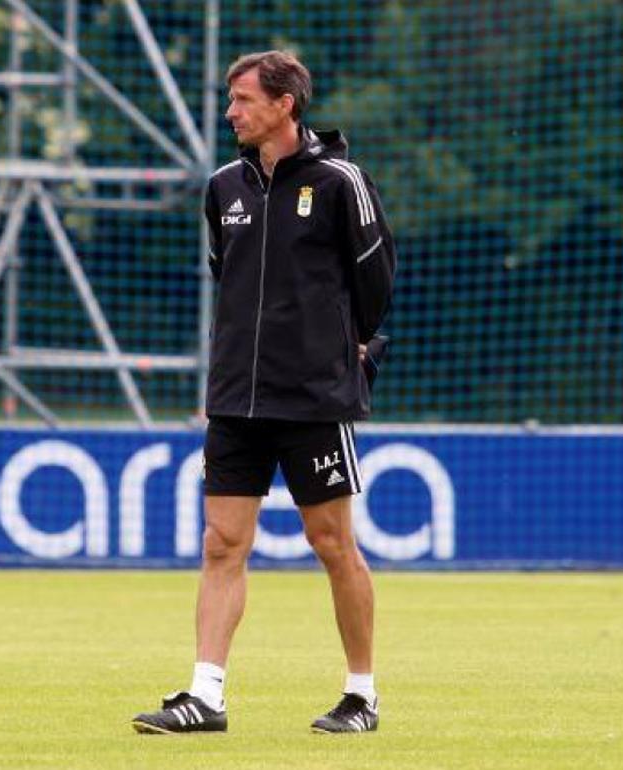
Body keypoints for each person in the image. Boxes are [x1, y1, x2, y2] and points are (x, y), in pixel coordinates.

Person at [132, 50, 396, 735]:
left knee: (331, 542)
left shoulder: (342, 181)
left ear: (285, 104)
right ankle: (205, 696)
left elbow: (375, 284)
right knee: (222, 543)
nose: (231, 112)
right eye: (231, 99)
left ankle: (361, 696)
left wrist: (349, 356)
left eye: (243, 99)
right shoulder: (223, 186)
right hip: (234, 400)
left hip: (313, 398)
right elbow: (229, 274)